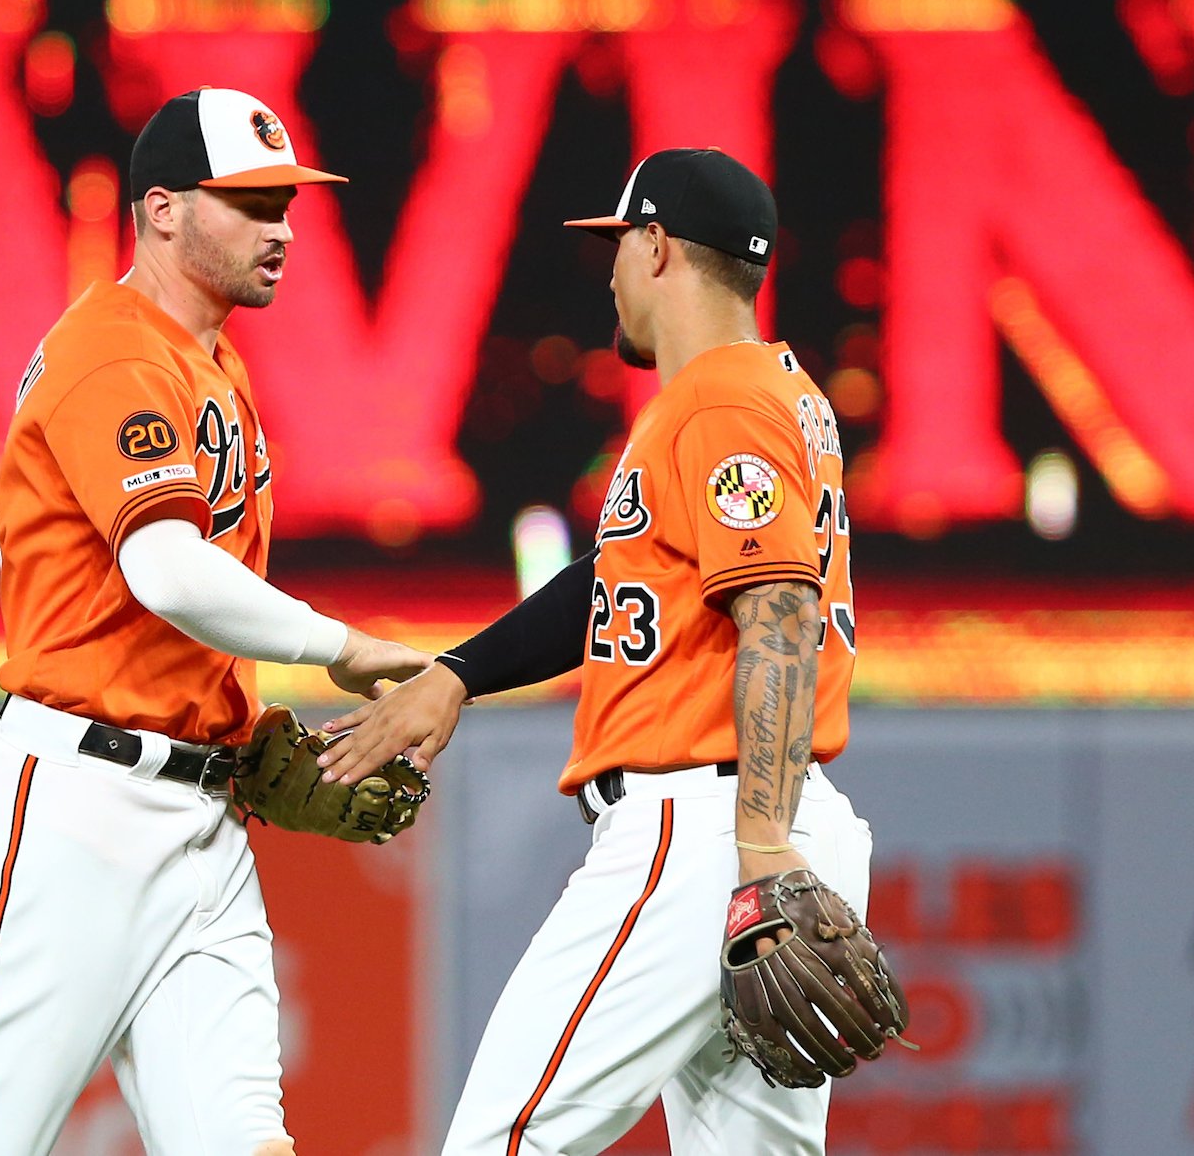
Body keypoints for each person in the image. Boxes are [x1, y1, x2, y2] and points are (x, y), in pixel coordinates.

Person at [0, 87, 428, 1156]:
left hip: (200, 816)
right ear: (161, 209)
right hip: (77, 804)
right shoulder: (115, 352)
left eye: (287, 204)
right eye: (252, 203)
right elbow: (165, 568)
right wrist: (340, 645)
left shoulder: (208, 361)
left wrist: (240, 726)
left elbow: (178, 616)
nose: (283, 229)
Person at [317, 147, 882, 1154]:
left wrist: (756, 848)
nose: (612, 271)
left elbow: (780, 611)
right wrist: (458, 673)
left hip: (706, 827)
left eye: (620, 245)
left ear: (658, 246)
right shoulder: (768, 395)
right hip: (756, 819)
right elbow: (619, 580)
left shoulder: (716, 401)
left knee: (504, 1139)